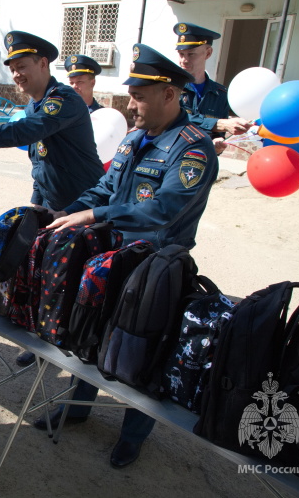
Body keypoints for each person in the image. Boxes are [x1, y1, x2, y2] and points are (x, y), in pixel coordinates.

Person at [35, 43, 219, 469]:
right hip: (111, 258)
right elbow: (104, 188)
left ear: (169, 95)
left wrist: (95, 213)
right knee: (90, 335)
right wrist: (70, 211)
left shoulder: (192, 149)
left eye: (139, 94)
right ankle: (79, 407)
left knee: (140, 349)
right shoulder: (135, 138)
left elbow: (163, 209)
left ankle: (133, 433)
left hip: (154, 269)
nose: (130, 103)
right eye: (131, 92)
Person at [0, 31, 105, 368]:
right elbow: (40, 163)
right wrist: (36, 209)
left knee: (77, 285)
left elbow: (26, 131)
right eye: (11, 68)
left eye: (22, 65)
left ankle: (71, 354)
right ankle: (43, 339)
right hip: (53, 208)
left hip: (83, 208)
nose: (16, 74)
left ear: (43, 63)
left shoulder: (63, 99)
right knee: (43, 273)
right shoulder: (34, 104)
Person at [173, 22, 251, 154]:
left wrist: (217, 144)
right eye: (181, 54)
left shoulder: (220, 93)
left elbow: (218, 134)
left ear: (208, 53)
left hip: (203, 161)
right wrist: (220, 123)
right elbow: (175, 120)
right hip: (173, 159)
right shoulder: (170, 88)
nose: (184, 60)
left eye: (191, 54)